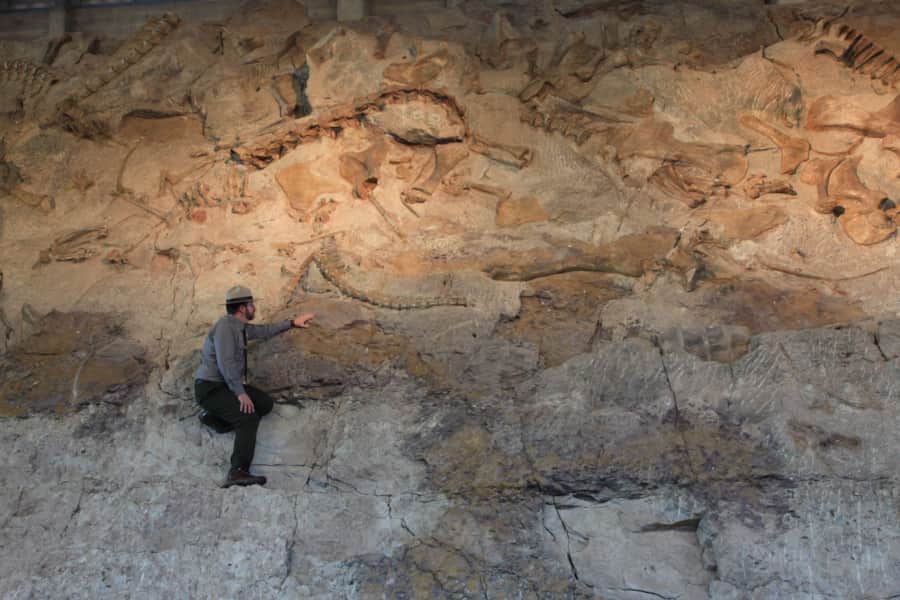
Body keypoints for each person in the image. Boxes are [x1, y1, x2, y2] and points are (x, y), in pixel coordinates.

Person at [194, 285, 314, 488]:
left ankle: (213, 418)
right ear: (242, 308)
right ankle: (238, 471)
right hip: (210, 388)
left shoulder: (239, 326)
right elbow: (226, 364)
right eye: (251, 304)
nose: (254, 307)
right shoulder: (225, 328)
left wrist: (292, 323)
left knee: (264, 404)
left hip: (224, 386)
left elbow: (262, 331)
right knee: (247, 418)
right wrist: (240, 393)